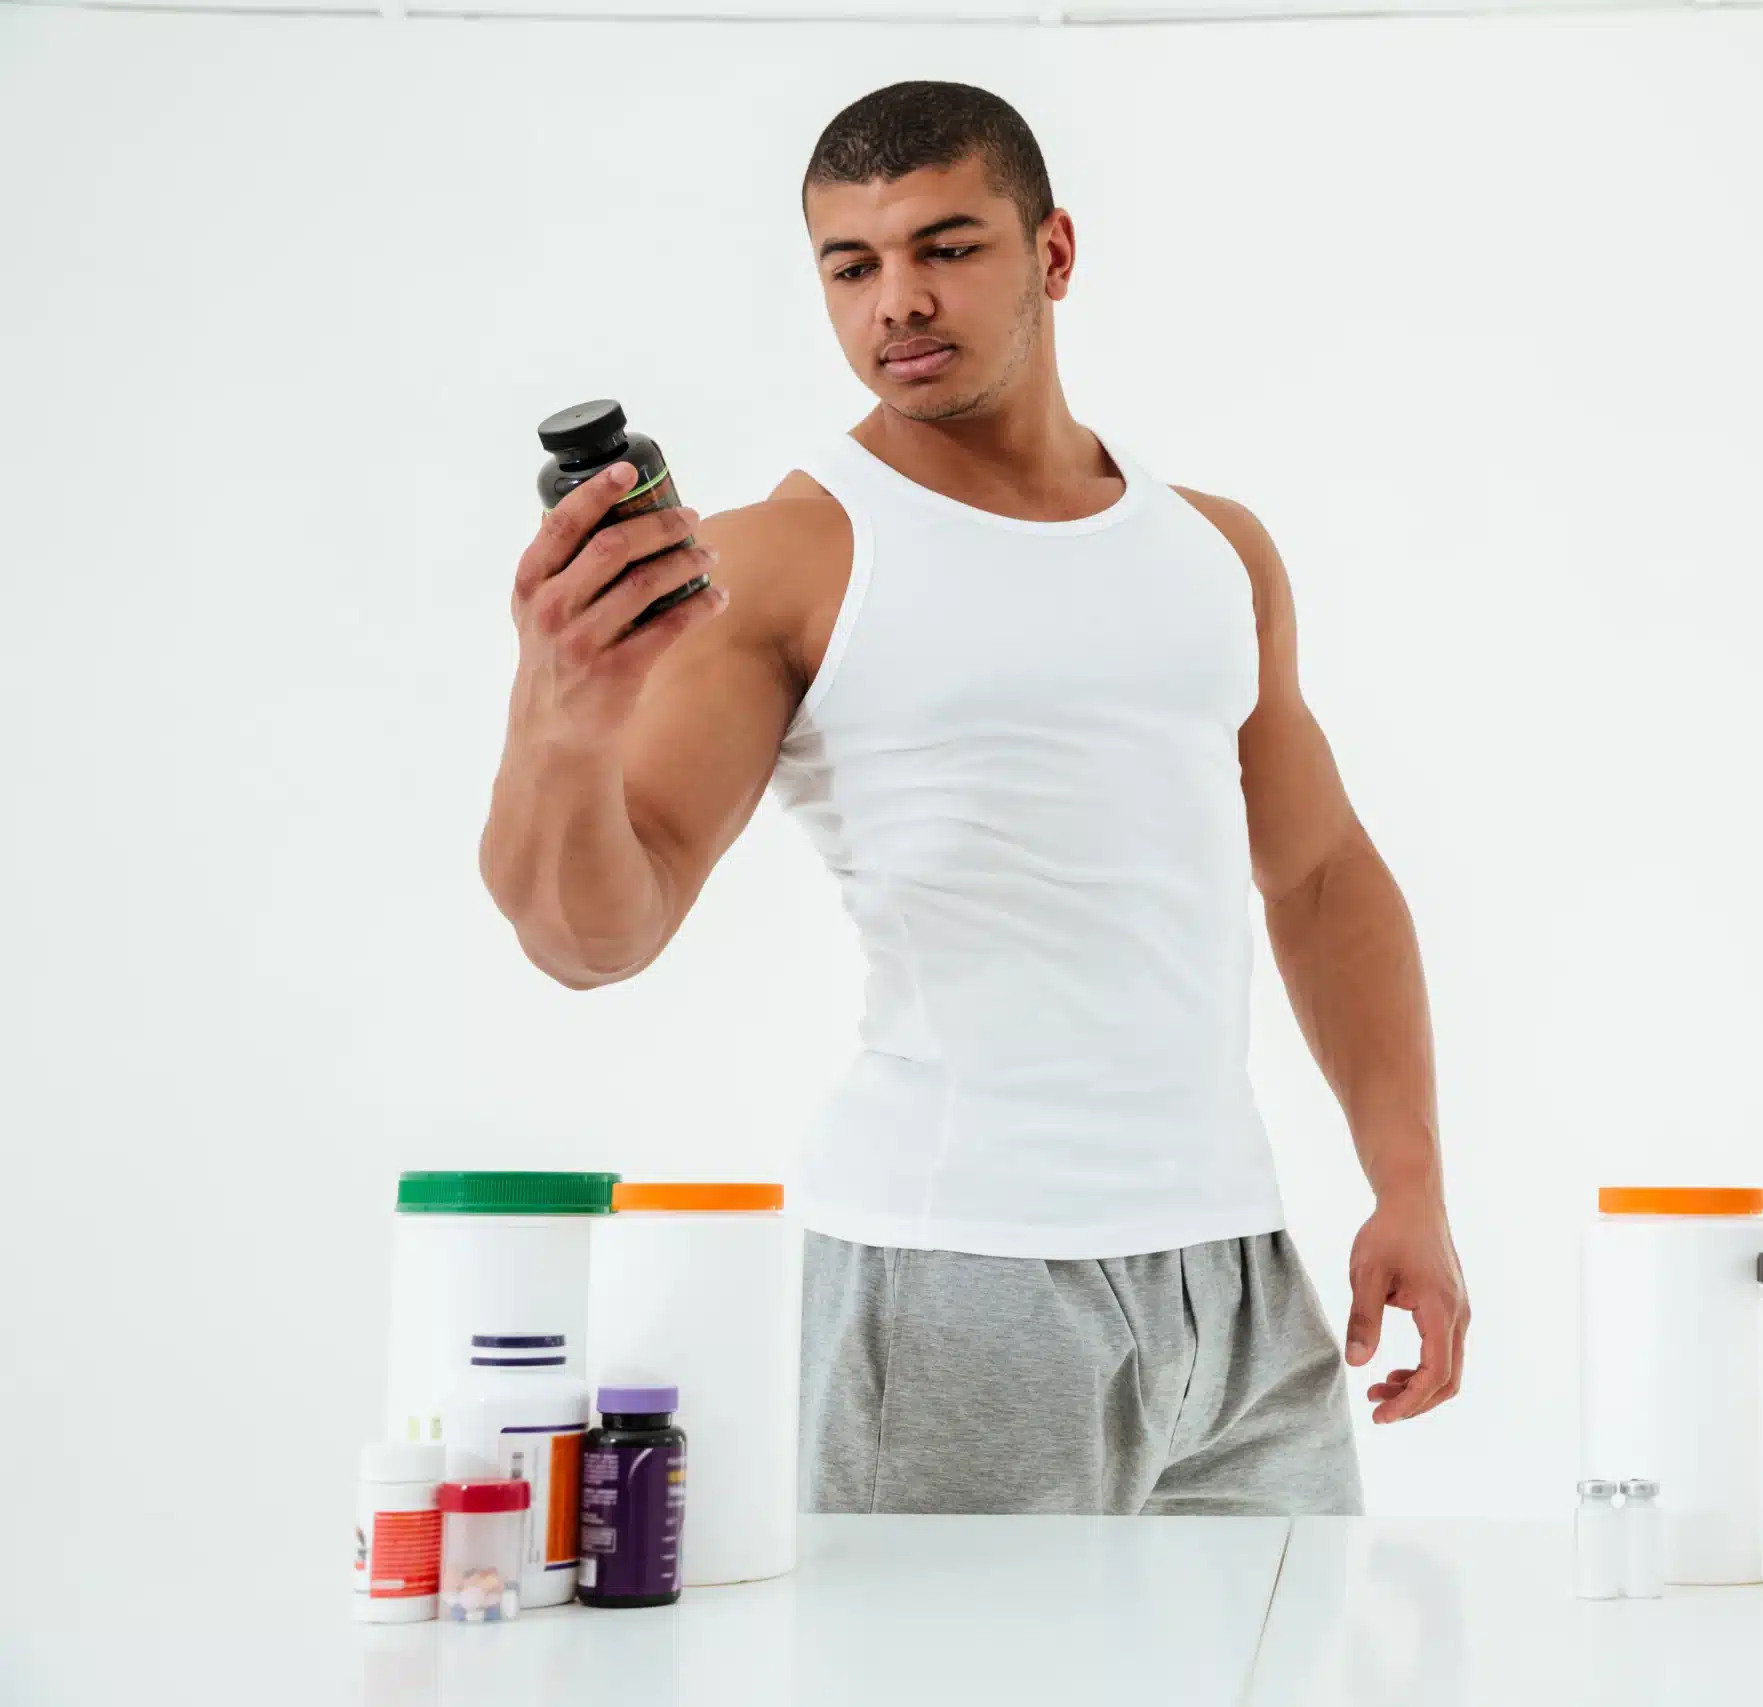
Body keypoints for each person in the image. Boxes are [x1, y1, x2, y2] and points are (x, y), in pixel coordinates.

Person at [479, 80, 1467, 1517]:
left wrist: (1411, 1179)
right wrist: (559, 715)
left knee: (1288, 1667)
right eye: (852, 265)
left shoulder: (1215, 550)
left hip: (1243, 1287)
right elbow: (592, 936)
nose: (899, 302)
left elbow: (1319, 875)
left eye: (947, 248)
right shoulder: (791, 555)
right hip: (953, 1285)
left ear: (1054, 254)